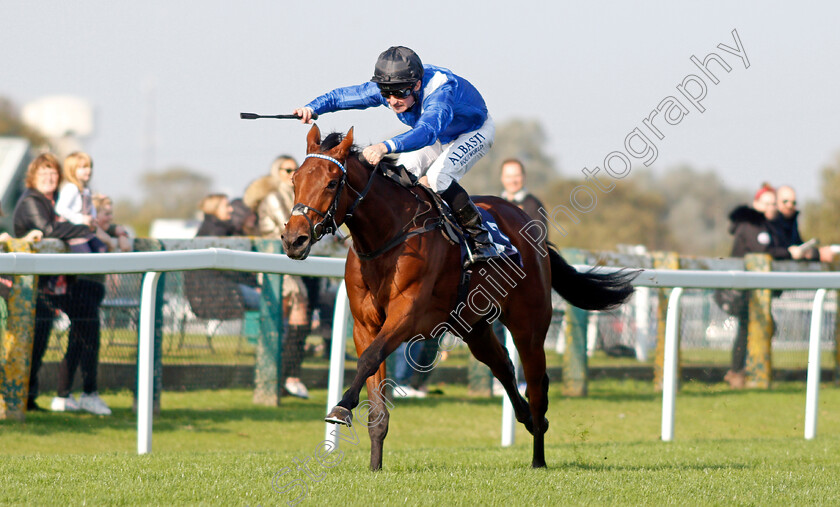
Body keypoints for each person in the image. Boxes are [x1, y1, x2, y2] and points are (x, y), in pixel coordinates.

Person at [294, 45, 500, 266]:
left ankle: (481, 240)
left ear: (417, 85)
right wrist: (312, 107)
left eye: (400, 94)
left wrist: (385, 146)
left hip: (471, 132)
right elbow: (343, 97)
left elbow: (427, 132)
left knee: (439, 177)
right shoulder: (393, 87)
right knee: (399, 175)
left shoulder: (441, 91)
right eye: (386, 94)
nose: (392, 100)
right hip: (439, 134)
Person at [12, 153, 109, 414]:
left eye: (54, 173)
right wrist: (84, 229)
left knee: (87, 319)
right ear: (33, 177)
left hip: (54, 283)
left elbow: (83, 218)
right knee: (36, 335)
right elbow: (50, 228)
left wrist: (112, 230)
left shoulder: (56, 199)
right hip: (30, 285)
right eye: (44, 173)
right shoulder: (32, 201)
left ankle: (75, 392)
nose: (50, 178)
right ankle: (23, 398)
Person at [246, 156, 314, 399]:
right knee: (281, 319)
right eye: (286, 169)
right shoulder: (274, 198)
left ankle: (287, 376)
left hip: (288, 264)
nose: (291, 173)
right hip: (274, 263)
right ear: (277, 173)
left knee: (296, 315)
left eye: (295, 169)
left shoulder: (298, 196)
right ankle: (275, 379)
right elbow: (290, 227)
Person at [722, 183, 798, 389]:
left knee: (758, 327)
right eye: (767, 203)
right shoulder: (751, 226)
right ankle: (739, 373)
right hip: (736, 290)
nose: (771, 207)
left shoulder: (769, 226)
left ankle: (745, 371)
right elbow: (764, 251)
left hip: (749, 289)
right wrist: (791, 253)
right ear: (756, 204)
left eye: (773, 204)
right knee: (750, 327)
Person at [499, 158, 546, 226]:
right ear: (502, 178)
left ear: (524, 176)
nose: (513, 181)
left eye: (516, 176)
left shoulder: (534, 205)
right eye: (508, 176)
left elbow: (539, 235)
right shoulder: (495, 204)